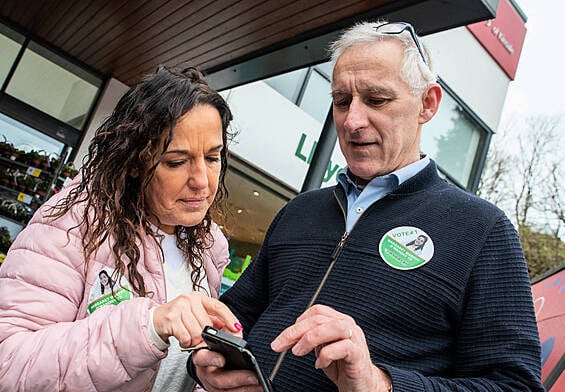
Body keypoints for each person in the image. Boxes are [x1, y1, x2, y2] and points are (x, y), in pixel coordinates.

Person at [191, 21, 545, 391]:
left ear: (428, 103)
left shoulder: (482, 230)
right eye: (342, 101)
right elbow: (237, 317)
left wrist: (380, 384)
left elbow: (515, 385)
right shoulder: (300, 210)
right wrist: (205, 358)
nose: (352, 120)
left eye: (376, 100)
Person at [0, 66, 243, 392]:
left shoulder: (210, 247)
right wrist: (147, 328)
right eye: (176, 162)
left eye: (213, 157)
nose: (202, 181)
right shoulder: (77, 222)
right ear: (136, 161)